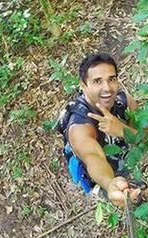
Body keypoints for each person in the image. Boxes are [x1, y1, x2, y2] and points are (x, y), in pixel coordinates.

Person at [56, 53, 141, 207]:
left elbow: (146, 135)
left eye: (112, 79)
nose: (107, 88)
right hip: (103, 176)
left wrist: (123, 130)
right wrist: (109, 184)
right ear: (84, 85)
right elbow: (92, 156)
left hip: (126, 157)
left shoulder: (124, 101)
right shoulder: (79, 126)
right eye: (97, 81)